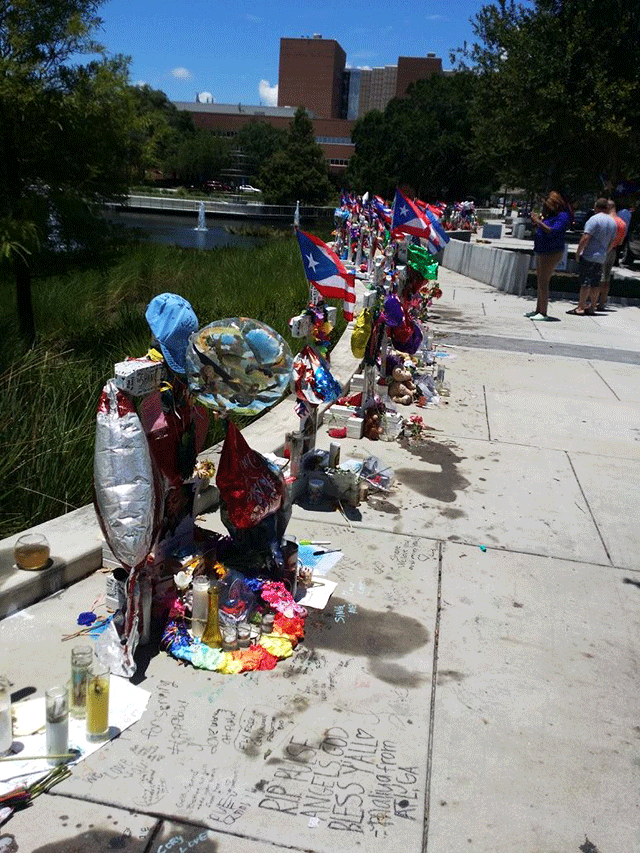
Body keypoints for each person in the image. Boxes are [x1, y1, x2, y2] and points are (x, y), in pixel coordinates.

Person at [525, 191, 572, 320]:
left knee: (544, 281)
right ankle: (538, 309)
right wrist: (538, 223)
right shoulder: (550, 216)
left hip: (551, 251)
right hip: (541, 249)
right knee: (540, 280)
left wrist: (539, 223)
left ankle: (543, 312)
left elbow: (552, 231)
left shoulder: (562, 216)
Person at [567, 198, 617, 316]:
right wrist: (605, 251)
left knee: (585, 281)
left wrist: (579, 251)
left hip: (590, 255)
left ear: (596, 207)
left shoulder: (594, 219)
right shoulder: (612, 222)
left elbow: (585, 237)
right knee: (596, 282)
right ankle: (592, 307)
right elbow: (613, 241)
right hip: (601, 256)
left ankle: (580, 307)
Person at [596, 201, 627, 310]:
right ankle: (602, 302)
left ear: (608, 207)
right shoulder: (622, 223)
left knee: (599, 276)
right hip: (613, 251)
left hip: (602, 250)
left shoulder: (607, 221)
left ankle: (594, 302)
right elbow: (620, 242)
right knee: (607, 277)